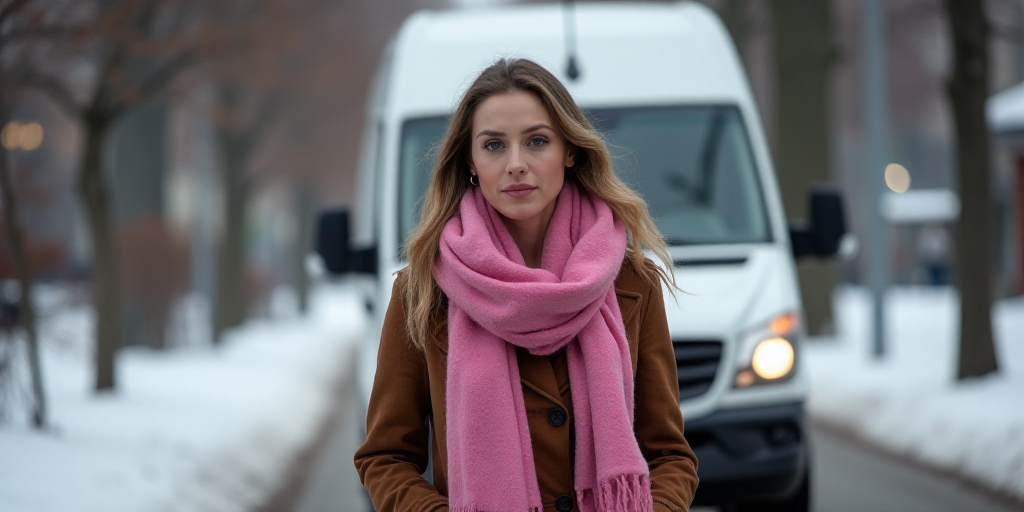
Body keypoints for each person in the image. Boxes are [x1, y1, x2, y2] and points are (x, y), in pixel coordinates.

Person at [354, 58, 699, 512]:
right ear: (471, 163)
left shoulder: (632, 283)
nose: (516, 164)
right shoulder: (423, 292)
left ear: (570, 152)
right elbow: (386, 456)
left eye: (537, 141)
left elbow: (670, 456)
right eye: (494, 145)